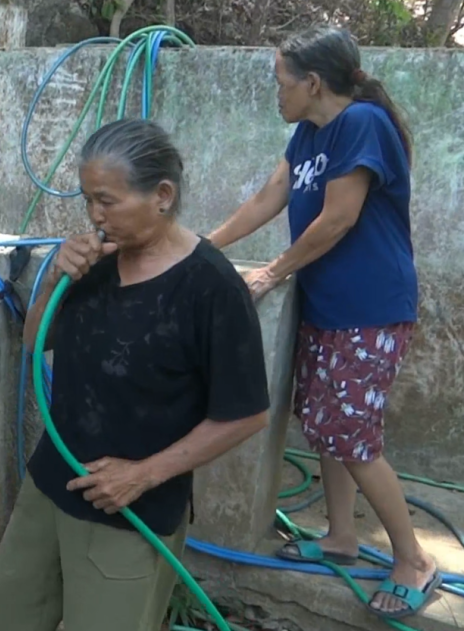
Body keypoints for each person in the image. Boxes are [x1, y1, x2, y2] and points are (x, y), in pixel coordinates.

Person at [0, 118, 271, 631]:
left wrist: (142, 475)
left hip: (132, 510)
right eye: (89, 200)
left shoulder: (210, 288)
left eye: (107, 202)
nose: (94, 216)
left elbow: (245, 415)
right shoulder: (94, 266)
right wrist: (55, 277)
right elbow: (33, 340)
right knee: (7, 611)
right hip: (52, 484)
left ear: (162, 195)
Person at [207, 25, 438, 620]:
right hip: (329, 305)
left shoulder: (362, 124)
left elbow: (338, 219)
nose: (275, 93)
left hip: (370, 308)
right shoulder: (308, 133)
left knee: (353, 435)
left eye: (281, 82)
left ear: (312, 83)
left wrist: (273, 272)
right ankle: (339, 535)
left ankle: (412, 559)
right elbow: (267, 199)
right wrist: (202, 250)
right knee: (324, 423)